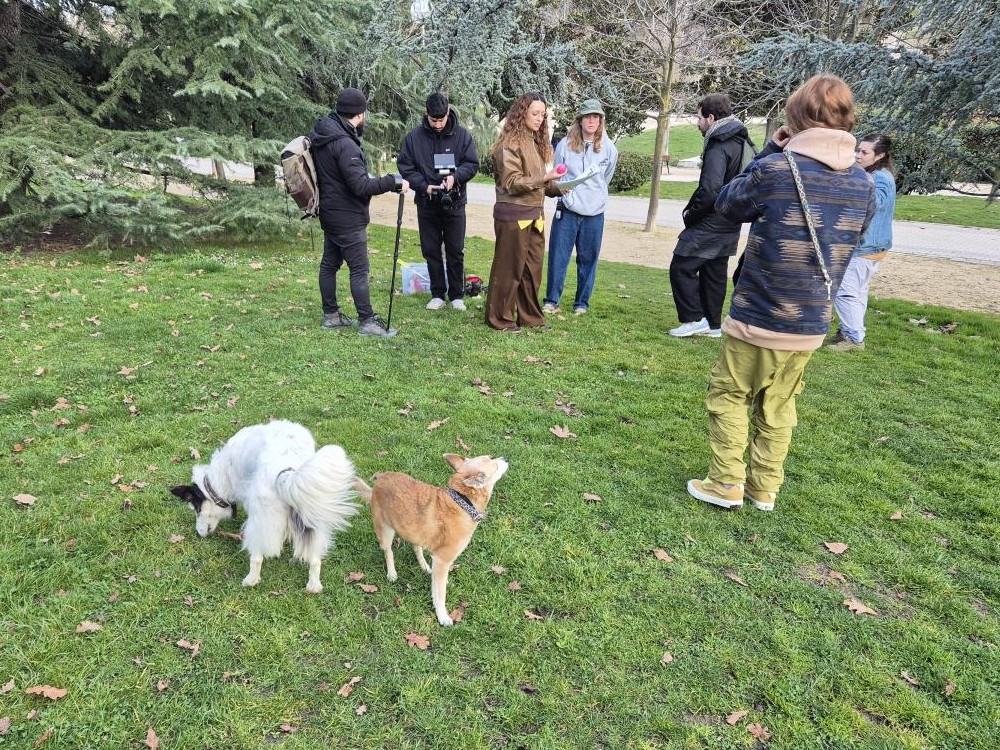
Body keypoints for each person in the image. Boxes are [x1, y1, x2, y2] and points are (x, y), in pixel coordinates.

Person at [686, 74, 876, 513]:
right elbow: (853, 239)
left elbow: (727, 203)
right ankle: (764, 488)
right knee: (779, 405)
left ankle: (726, 482)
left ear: (796, 118)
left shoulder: (775, 170)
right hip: (811, 319)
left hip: (760, 311)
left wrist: (772, 150)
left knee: (730, 394)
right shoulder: (863, 184)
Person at [309, 87, 410, 337]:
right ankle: (367, 322)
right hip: (347, 217)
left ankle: (331, 316)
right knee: (359, 269)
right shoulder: (345, 144)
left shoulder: (325, 134)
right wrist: (393, 181)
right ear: (360, 114)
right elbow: (360, 186)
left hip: (329, 212)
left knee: (329, 264)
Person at [667, 93, 752, 339]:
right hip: (731, 219)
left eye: (699, 117)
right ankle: (713, 324)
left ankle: (693, 318)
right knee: (714, 270)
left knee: (681, 266)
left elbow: (710, 189)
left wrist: (691, 214)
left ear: (711, 118)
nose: (697, 123)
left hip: (712, 220)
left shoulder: (718, 143)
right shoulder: (740, 141)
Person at [485, 92, 565, 332]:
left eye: (543, 114)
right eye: (535, 113)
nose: (540, 118)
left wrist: (560, 188)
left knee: (532, 270)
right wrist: (545, 178)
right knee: (509, 269)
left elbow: (539, 182)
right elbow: (512, 182)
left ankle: (530, 318)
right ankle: (499, 318)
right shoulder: (509, 143)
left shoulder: (535, 142)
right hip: (514, 215)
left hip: (535, 215)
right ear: (522, 113)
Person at [397, 92, 480, 312]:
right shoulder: (414, 138)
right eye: (433, 120)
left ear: (448, 112)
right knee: (431, 249)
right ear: (426, 114)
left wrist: (455, 178)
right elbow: (405, 167)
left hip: (455, 201)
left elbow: (472, 164)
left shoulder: (462, 136)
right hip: (427, 202)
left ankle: (456, 295)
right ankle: (437, 294)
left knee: (455, 249)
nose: (437, 124)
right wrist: (423, 186)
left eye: (441, 119)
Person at [542, 99, 619, 316]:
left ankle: (581, 303)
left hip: (594, 213)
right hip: (567, 210)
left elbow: (606, 178)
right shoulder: (565, 145)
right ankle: (552, 300)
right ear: (580, 120)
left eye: (596, 117)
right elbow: (558, 174)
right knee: (559, 257)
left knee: (588, 259)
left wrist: (595, 197)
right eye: (587, 117)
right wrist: (566, 194)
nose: (591, 121)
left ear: (600, 120)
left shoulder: (609, 148)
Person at [828, 134, 896, 352]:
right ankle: (847, 331)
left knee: (844, 291)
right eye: (858, 150)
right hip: (871, 246)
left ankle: (854, 339)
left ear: (880, 155)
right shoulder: (875, 175)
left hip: (865, 246)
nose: (858, 155)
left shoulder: (879, 178)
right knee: (857, 292)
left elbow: (874, 205)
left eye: (864, 152)